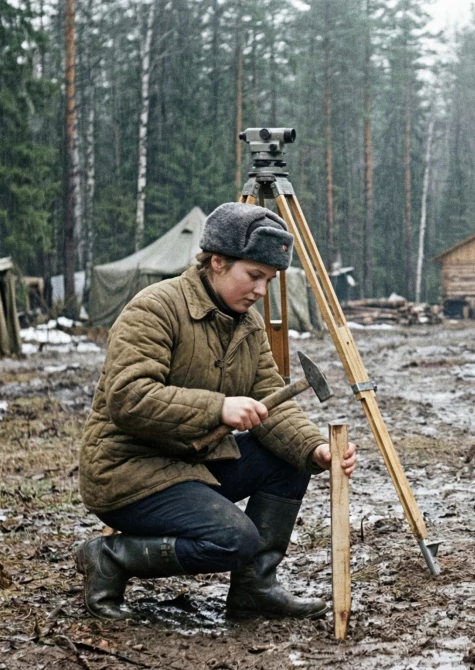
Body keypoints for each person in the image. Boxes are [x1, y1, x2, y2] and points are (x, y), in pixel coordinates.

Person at [75, 202, 357, 621]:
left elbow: (268, 396)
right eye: (254, 276)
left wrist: (315, 448)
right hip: (127, 472)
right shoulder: (155, 308)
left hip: (193, 464)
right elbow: (127, 397)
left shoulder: (248, 325)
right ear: (217, 262)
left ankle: (254, 590)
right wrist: (218, 408)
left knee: (288, 459)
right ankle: (110, 557)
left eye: (269, 279)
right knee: (234, 539)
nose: (261, 291)